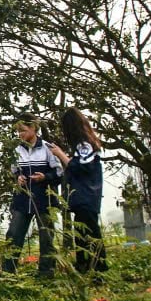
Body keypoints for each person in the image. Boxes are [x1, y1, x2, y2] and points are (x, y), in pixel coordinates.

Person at [49, 108, 108, 276]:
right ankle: (85, 268)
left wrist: (61, 154)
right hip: (85, 197)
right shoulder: (83, 145)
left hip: (86, 197)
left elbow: (81, 168)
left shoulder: (84, 145)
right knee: (81, 235)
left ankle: (99, 269)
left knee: (90, 234)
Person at [2, 119, 63, 278]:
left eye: (23, 130)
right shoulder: (17, 150)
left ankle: (46, 272)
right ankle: (8, 272)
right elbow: (13, 170)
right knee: (13, 234)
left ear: (34, 128)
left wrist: (45, 177)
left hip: (44, 198)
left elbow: (59, 173)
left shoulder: (48, 148)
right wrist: (18, 178)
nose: (20, 134)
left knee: (46, 236)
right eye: (18, 131)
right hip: (22, 199)